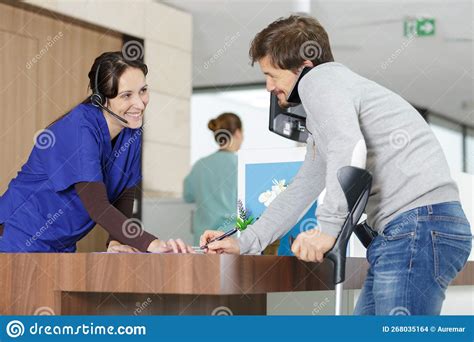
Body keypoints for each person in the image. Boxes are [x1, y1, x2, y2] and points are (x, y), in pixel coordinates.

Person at [201, 15, 472, 315]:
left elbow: (350, 147)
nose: (268, 86)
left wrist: (328, 230)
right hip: (418, 228)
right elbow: (304, 185)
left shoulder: (320, 82)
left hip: (418, 227)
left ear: (304, 67)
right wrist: (246, 241)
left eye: (272, 75)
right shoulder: (334, 94)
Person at [0, 51, 193, 254]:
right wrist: (152, 244)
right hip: (17, 234)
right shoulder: (79, 128)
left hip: (59, 244)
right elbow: (97, 205)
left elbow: (124, 196)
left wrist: (116, 242)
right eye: (127, 95)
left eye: (143, 90)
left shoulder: (130, 131)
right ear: (101, 99)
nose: (140, 103)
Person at [183, 113, 243, 245]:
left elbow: (187, 196)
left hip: (203, 240)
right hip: (231, 240)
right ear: (238, 133)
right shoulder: (241, 165)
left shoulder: (200, 165)